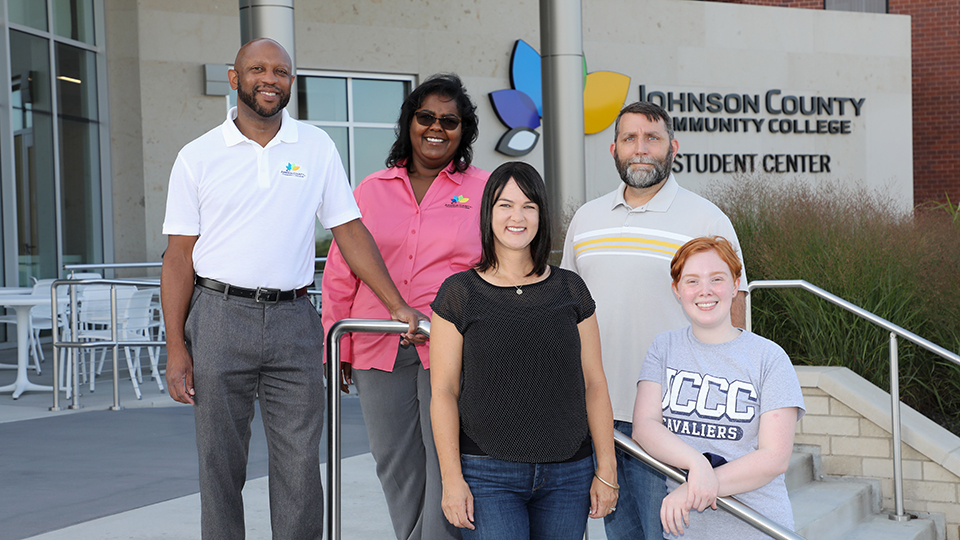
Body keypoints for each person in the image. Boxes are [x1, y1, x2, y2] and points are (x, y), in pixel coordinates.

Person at [160, 38, 421, 540]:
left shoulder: (317, 146)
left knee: (301, 466)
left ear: (291, 83)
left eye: (281, 71)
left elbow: (349, 231)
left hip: (294, 320)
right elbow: (177, 259)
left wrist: (396, 304)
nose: (270, 78)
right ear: (235, 79)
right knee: (219, 465)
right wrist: (176, 347)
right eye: (257, 68)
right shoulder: (197, 156)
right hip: (217, 315)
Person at [560, 101, 748, 540]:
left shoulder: (706, 219)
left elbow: (734, 313)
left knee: (667, 534)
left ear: (673, 147)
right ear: (613, 149)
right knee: (620, 534)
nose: (640, 148)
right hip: (596, 413)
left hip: (671, 419)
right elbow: (565, 308)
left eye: (652, 138)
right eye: (630, 138)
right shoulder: (586, 219)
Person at [321, 73, 488, 540]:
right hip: (378, 344)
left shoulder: (484, 189)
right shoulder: (372, 188)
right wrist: (338, 348)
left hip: (454, 348)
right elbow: (340, 272)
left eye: (450, 121)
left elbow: (496, 267)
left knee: (447, 462)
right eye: (426, 117)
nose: (437, 128)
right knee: (395, 463)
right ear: (409, 123)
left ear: (464, 130)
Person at [430, 161, 618, 540]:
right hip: (487, 473)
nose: (517, 216)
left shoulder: (571, 290)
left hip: (569, 473)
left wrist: (607, 468)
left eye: (528, 206)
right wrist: (452, 480)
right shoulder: (459, 293)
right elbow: (444, 393)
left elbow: (595, 383)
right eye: (505, 205)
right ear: (488, 213)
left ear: (541, 215)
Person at [633, 236, 804, 539]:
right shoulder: (664, 347)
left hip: (756, 528)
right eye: (692, 281)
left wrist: (690, 490)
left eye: (717, 279)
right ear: (677, 289)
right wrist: (695, 462)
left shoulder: (769, 357)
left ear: (736, 284)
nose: (705, 291)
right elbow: (645, 426)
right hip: (686, 531)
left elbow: (774, 457)